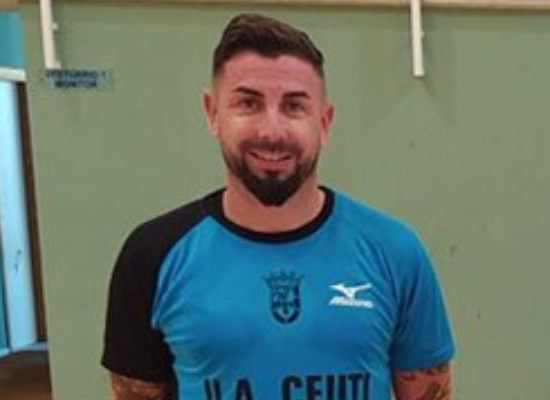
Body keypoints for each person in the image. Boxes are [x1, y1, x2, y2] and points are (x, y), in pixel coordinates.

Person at [102, 13, 455, 400]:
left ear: (325, 122)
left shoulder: (395, 251)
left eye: (294, 106)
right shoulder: (152, 255)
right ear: (213, 113)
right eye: (248, 103)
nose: (271, 131)